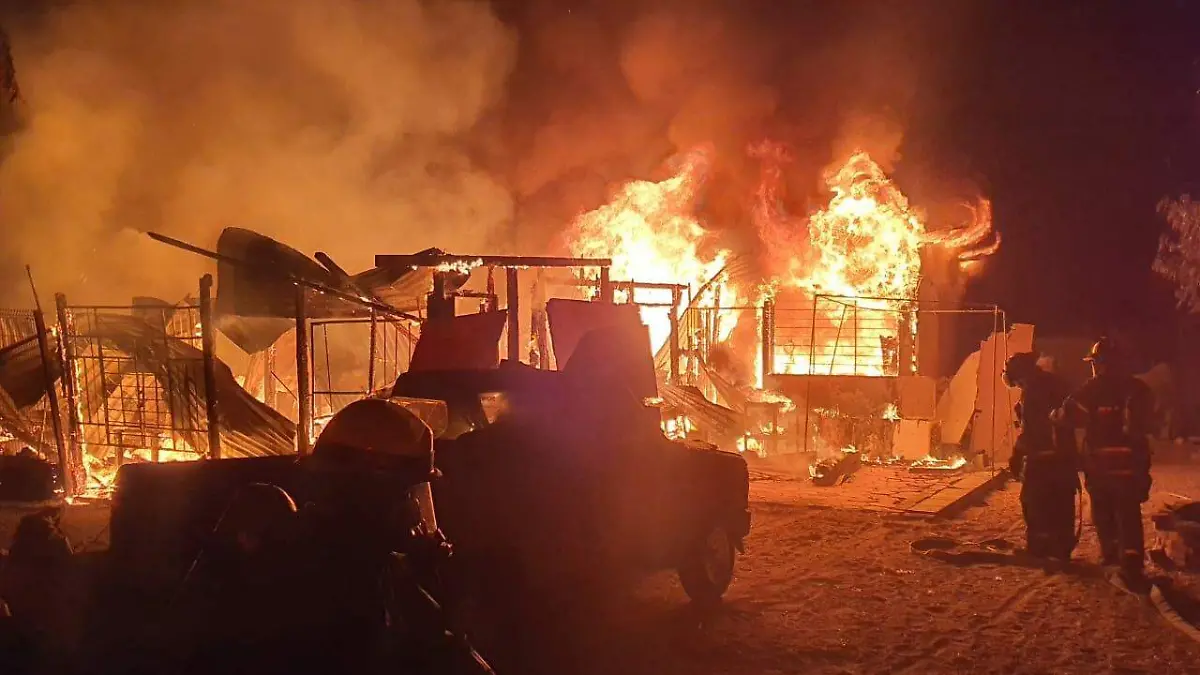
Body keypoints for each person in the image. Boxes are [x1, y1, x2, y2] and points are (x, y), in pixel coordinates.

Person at [1053, 337, 1155, 590]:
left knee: (1104, 511)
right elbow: (1149, 425)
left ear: (1099, 363)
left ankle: (1111, 558)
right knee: (1129, 511)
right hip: (1132, 465)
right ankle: (1132, 560)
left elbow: (1067, 416)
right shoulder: (1139, 389)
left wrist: (1053, 416)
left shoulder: (1091, 389)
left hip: (1100, 465)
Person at [1004, 352, 1078, 561]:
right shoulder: (1056, 384)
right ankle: (1061, 549)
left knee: (1034, 502)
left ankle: (1038, 549)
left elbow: (1033, 430)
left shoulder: (1032, 392)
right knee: (1062, 502)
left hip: (1042, 458)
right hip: (1065, 457)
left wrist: (1017, 454)